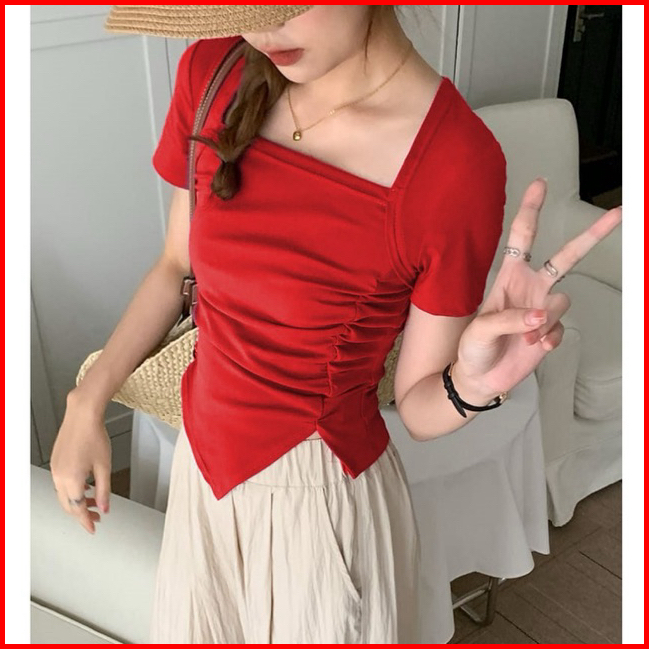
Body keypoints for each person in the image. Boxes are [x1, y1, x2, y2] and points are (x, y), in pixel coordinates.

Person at [49, 5, 622, 644]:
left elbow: (418, 406)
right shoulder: (211, 72)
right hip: (200, 479)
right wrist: (86, 400)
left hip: (318, 510)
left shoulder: (454, 161)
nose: (261, 30)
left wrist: (474, 383)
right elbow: (174, 267)